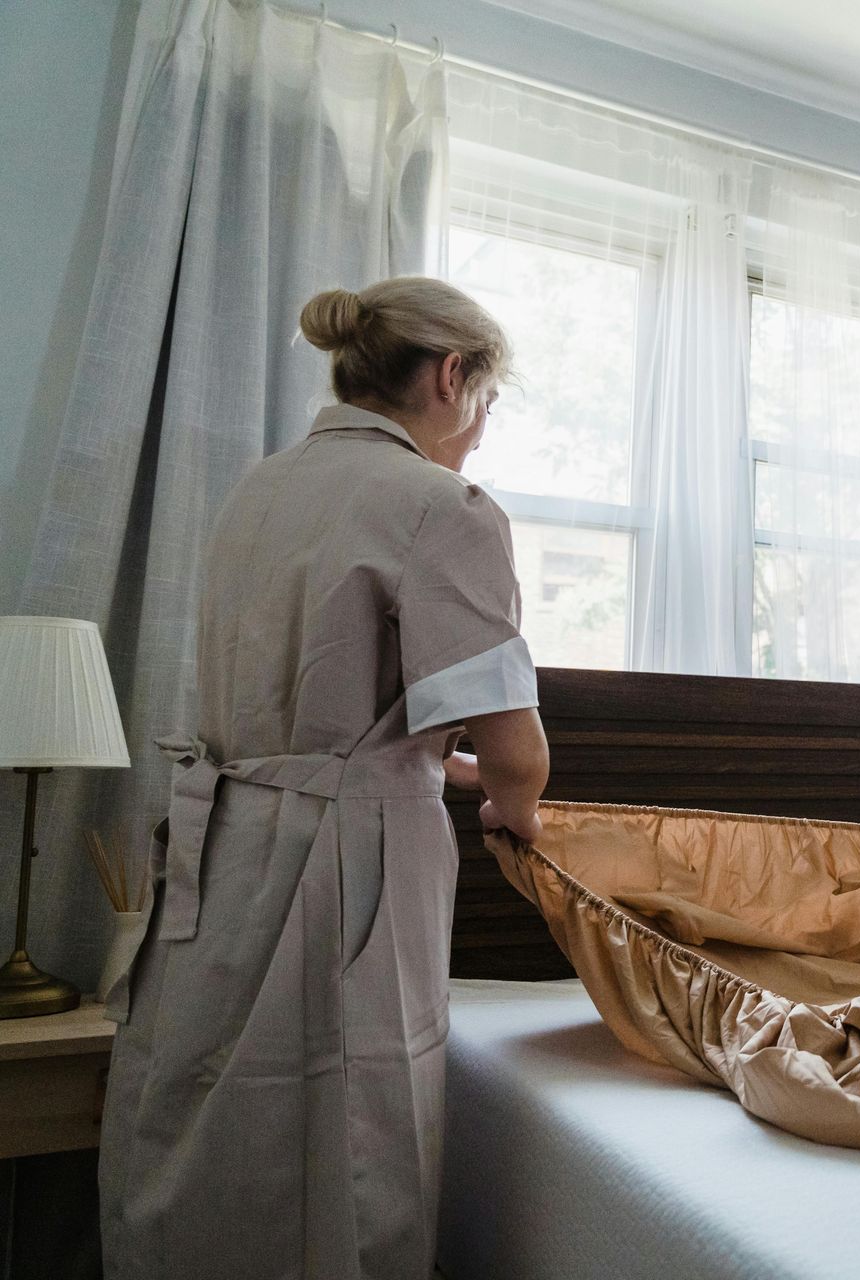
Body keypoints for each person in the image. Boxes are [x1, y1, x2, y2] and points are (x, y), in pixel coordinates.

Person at [99, 278, 550, 1278]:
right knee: (348, 1124)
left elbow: (338, 723)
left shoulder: (259, 488)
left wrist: (448, 769)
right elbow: (514, 747)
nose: (479, 431)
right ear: (450, 376)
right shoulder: (443, 506)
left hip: (223, 842)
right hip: (347, 864)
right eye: (486, 400)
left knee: (212, 1115)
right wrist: (518, 814)